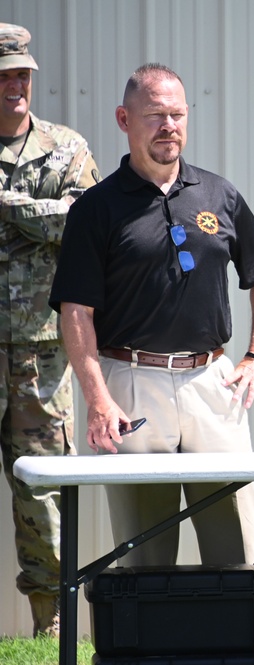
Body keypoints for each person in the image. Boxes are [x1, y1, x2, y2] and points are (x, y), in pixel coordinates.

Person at [49, 63, 254, 568]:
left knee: (237, 549)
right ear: (123, 119)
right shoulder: (96, 208)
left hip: (212, 383)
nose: (168, 127)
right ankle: (151, 649)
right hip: (130, 386)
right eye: (154, 115)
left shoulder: (219, 195)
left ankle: (240, 647)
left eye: (177, 115)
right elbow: (76, 312)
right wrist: (98, 399)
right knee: (145, 554)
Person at [0, 22, 100, 637]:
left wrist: (12, 209)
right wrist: (44, 214)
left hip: (40, 352)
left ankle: (51, 624)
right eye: (5, 74)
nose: (16, 84)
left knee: (43, 493)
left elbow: (85, 221)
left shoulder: (65, 148)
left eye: (22, 74)